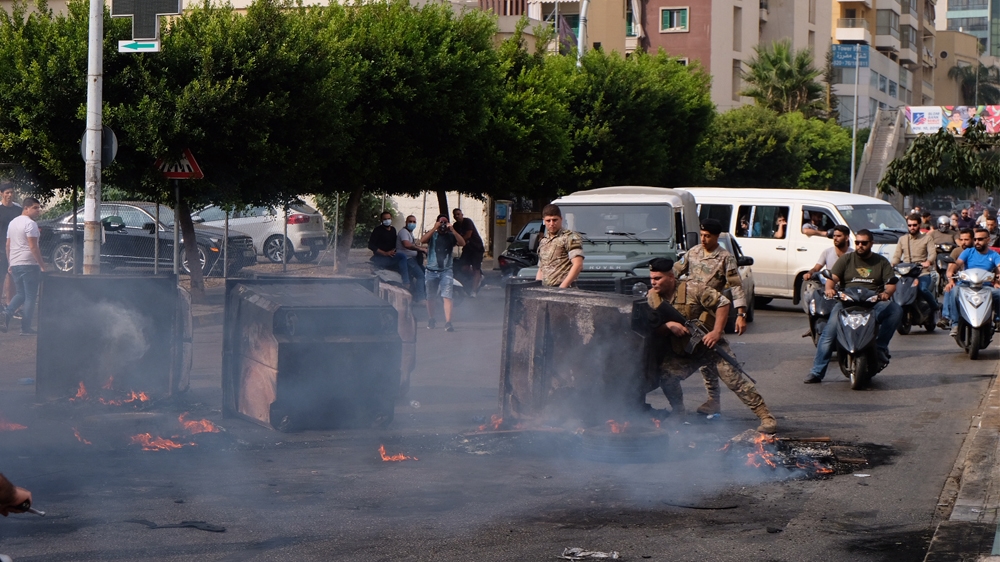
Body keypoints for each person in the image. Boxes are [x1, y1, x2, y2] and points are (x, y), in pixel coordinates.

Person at [646, 258, 777, 433]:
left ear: (671, 276)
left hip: (711, 346)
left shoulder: (693, 288)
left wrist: (716, 332)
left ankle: (765, 416)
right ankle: (678, 412)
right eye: (652, 278)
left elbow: (723, 303)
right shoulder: (652, 298)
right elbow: (652, 327)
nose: (653, 282)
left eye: (658, 278)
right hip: (685, 350)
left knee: (735, 381)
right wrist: (669, 326)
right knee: (667, 377)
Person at [804, 229, 902, 383]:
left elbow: (890, 284)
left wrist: (886, 294)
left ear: (871, 243)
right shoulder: (846, 259)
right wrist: (829, 289)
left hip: (872, 303)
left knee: (895, 310)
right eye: (857, 243)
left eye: (864, 243)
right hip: (846, 303)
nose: (860, 246)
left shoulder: (881, 262)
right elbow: (833, 278)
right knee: (828, 335)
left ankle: (880, 347)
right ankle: (817, 371)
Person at [672, 218, 749, 415]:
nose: (704, 239)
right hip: (689, 310)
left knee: (711, 357)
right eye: (702, 235)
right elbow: (675, 271)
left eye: (708, 236)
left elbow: (736, 286)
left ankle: (714, 399)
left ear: (716, 237)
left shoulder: (725, 258)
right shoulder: (693, 252)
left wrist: (741, 314)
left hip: (711, 312)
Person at [942, 228, 1000, 337]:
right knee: (953, 291)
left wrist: (998, 279)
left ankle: (998, 320)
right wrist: (951, 274)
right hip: (966, 284)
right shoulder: (968, 252)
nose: (977, 242)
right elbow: (958, 263)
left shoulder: (994, 255)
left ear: (988, 240)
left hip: (985, 286)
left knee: (999, 293)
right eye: (975, 239)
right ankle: (954, 323)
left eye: (980, 239)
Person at [3, 197, 44, 335]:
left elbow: (8, 245)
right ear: (26, 208)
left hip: (15, 263)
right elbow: (33, 247)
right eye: (35, 208)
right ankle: (25, 328)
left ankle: (7, 314)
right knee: (31, 296)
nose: (38, 210)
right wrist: (42, 265)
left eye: (38, 207)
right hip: (29, 264)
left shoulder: (12, 223)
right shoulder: (30, 224)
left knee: (21, 294)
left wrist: (10, 263)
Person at [420, 214, 465, 331]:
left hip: (446, 270)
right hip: (431, 270)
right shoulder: (433, 235)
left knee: (447, 296)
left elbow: (462, 243)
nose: (443, 226)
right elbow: (422, 240)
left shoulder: (451, 236)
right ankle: (431, 318)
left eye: (445, 222)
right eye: (441, 222)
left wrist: (453, 230)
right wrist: (435, 228)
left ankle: (448, 322)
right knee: (430, 296)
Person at [891, 214, 938, 313]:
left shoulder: (927, 238)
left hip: (922, 272)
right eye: (910, 225)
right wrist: (892, 264)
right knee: (893, 289)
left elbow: (932, 253)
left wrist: (928, 262)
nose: (912, 227)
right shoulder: (902, 239)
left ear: (919, 225)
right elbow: (897, 256)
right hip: (906, 273)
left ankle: (935, 308)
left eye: (914, 225)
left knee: (923, 289)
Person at [368, 211, 423, 297]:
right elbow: (371, 245)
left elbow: (395, 244)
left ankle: (413, 292)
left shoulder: (393, 230)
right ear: (381, 220)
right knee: (402, 256)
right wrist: (385, 253)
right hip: (381, 257)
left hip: (391, 256)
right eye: (385, 219)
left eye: (389, 219)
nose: (387, 220)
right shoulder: (378, 230)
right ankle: (406, 282)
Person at [535, 204, 584, 288]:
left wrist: (562, 288)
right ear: (544, 221)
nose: (552, 223)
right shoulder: (544, 241)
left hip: (566, 290)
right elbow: (541, 268)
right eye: (548, 220)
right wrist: (538, 288)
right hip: (546, 290)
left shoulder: (570, 237)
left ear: (561, 219)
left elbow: (578, 264)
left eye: (555, 220)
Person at [393, 215, 426, 303]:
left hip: (412, 258)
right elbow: (407, 244)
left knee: (425, 273)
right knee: (420, 276)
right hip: (407, 259)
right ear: (406, 222)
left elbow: (413, 245)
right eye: (410, 221)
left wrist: (423, 249)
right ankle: (421, 299)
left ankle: (424, 295)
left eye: (414, 222)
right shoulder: (404, 232)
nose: (412, 223)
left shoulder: (409, 233)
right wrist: (420, 249)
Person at [452, 208, 484, 297]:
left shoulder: (467, 222)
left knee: (475, 268)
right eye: (455, 215)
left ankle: (473, 291)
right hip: (467, 249)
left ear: (462, 214)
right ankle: (477, 276)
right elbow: (454, 235)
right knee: (463, 267)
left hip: (476, 248)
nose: (457, 216)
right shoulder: (455, 226)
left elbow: (468, 234)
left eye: (458, 214)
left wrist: (459, 242)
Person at [0, 182, 20, 314]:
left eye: (11, 192)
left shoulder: (18, 209)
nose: (9, 195)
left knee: (13, 277)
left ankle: (10, 305)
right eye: (7, 192)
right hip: (1, 249)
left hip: (15, 250)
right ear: (1, 194)